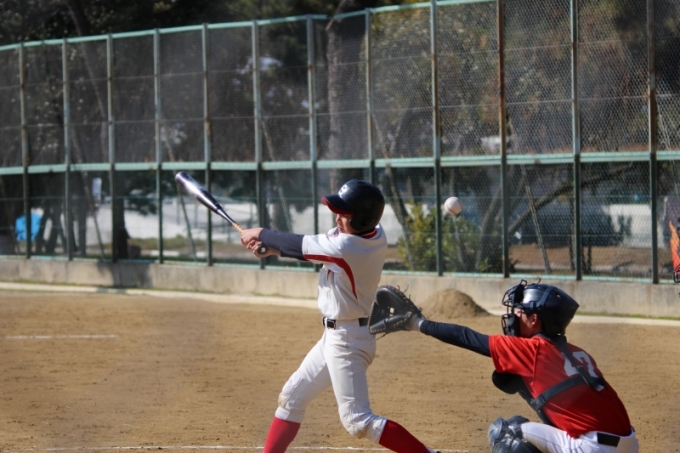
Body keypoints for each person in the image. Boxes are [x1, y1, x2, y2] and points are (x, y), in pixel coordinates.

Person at [240, 179, 438, 453]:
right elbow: (315, 249)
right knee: (291, 398)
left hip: (348, 341)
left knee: (357, 421)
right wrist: (274, 248)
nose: (337, 218)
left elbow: (303, 245)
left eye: (344, 214)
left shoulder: (348, 247)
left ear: (362, 220)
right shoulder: (373, 233)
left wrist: (261, 232)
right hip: (336, 337)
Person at [404, 280, 639, 453]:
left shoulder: (533, 349)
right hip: (628, 444)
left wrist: (416, 323)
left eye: (520, 311)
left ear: (534, 320)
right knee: (530, 427)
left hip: (592, 448)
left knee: (507, 433)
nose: (514, 315)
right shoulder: (577, 352)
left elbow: (467, 337)